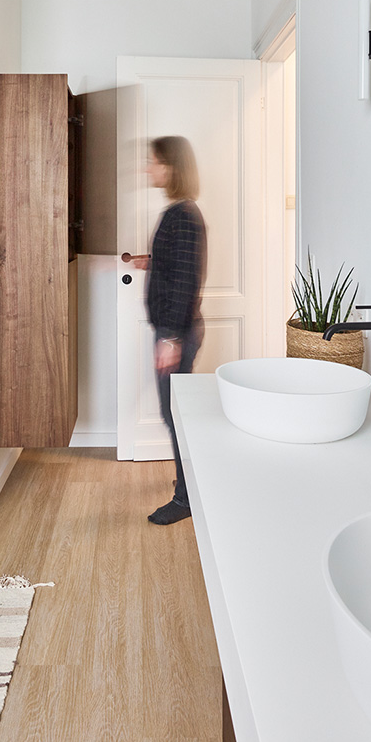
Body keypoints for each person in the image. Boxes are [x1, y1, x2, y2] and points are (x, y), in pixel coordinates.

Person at [136, 135, 207, 525]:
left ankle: (185, 498)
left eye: (155, 161)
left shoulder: (184, 216)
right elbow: (176, 266)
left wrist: (170, 338)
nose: (149, 168)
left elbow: (186, 282)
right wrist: (152, 261)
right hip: (173, 329)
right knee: (174, 412)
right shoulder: (179, 214)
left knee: (174, 414)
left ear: (173, 167)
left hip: (175, 331)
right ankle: (187, 482)